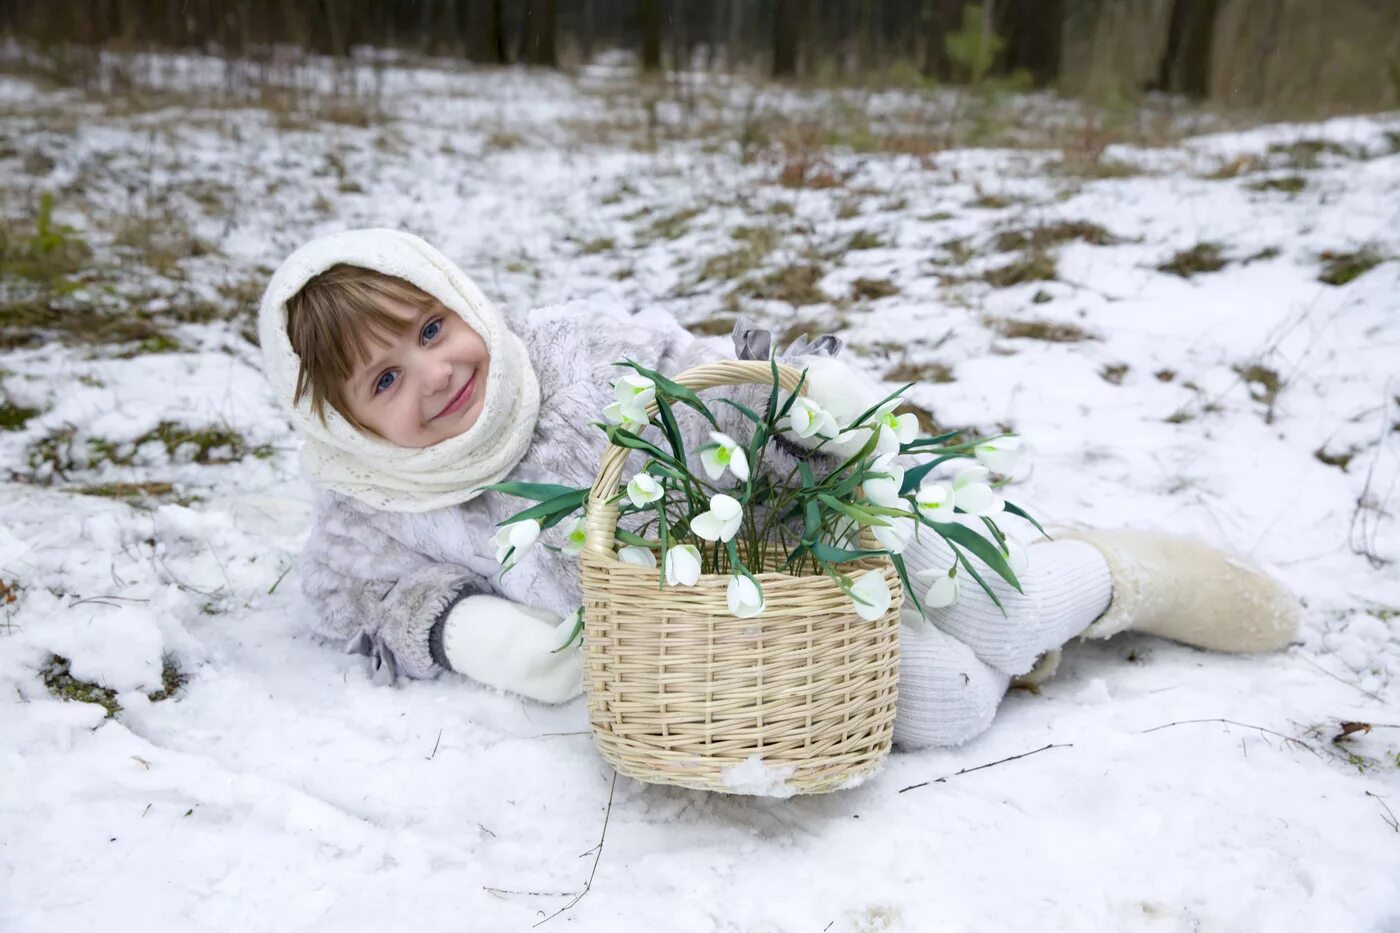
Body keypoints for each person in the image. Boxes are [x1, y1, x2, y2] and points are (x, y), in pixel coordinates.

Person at [257, 228, 1300, 749]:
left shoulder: (581, 353)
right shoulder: (376, 504)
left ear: (464, 302)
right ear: (341, 424)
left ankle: (1119, 573)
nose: (435, 376)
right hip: (735, 654)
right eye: (384, 380)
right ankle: (1021, 660)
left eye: (433, 329)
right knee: (949, 704)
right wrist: (461, 630)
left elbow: (721, 371)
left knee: (996, 605)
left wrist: (802, 403)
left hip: (795, 544)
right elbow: (344, 593)